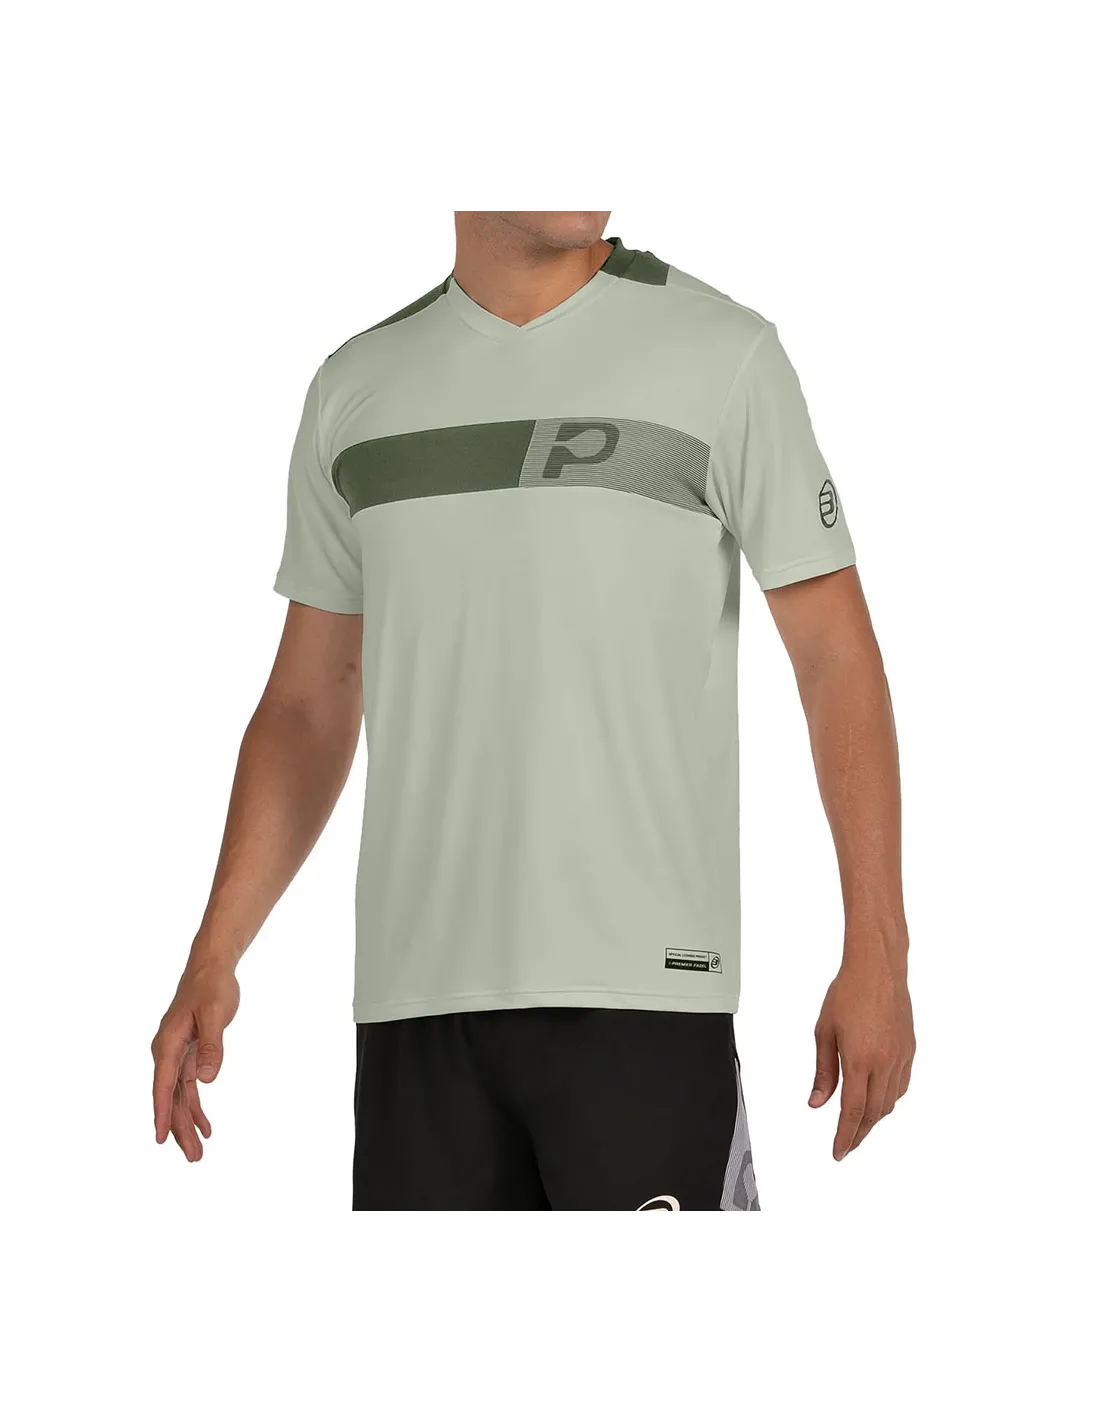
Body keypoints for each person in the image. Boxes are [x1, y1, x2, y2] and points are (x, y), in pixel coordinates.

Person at [151, 209, 915, 1215]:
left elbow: (834, 658)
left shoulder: (722, 356)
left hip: (643, 997)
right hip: (416, 1014)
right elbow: (306, 704)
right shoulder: (357, 388)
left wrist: (879, 948)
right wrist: (214, 952)